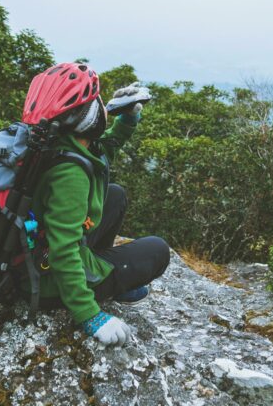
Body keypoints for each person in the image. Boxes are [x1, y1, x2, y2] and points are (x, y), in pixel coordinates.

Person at [22, 61, 170, 346]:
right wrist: (89, 314)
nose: (103, 107)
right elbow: (62, 248)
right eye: (98, 103)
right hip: (45, 278)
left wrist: (126, 118)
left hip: (33, 255)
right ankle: (102, 285)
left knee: (113, 194)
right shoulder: (69, 173)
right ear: (87, 116)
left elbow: (102, 151)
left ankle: (104, 273)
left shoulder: (57, 142)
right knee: (157, 250)